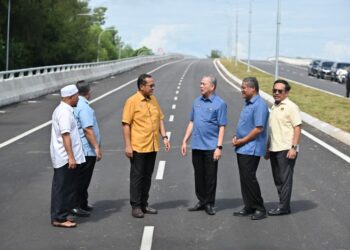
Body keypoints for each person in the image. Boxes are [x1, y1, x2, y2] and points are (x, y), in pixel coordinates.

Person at [122, 73, 170, 218]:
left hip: (152, 145)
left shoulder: (153, 100)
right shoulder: (132, 101)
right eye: (151, 85)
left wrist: (165, 137)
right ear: (142, 86)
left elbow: (160, 119)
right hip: (138, 146)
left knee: (148, 176)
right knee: (137, 176)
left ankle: (144, 203)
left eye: (153, 85)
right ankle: (136, 206)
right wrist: (128, 146)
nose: (153, 88)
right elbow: (126, 124)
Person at [181, 75, 227, 216]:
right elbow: (192, 122)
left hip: (211, 147)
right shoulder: (196, 102)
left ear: (212, 87)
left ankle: (209, 203)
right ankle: (201, 200)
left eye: (203, 84)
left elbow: (221, 127)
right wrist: (184, 140)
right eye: (200, 83)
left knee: (210, 176)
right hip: (197, 146)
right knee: (198, 175)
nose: (200, 86)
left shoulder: (220, 104)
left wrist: (218, 147)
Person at [232, 77, 269, 220]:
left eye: (244, 88)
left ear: (252, 88)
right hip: (242, 147)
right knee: (244, 179)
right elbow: (245, 124)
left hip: (250, 148)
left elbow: (258, 128)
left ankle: (259, 208)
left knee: (249, 178)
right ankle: (249, 206)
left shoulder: (259, 105)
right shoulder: (248, 103)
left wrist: (242, 140)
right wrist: (237, 137)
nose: (242, 90)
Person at [50, 84, 85, 228]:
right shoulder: (64, 113)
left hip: (66, 157)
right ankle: (59, 218)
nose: (78, 98)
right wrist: (71, 157)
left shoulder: (65, 110)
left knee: (67, 187)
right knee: (62, 188)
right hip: (65, 157)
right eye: (77, 96)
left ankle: (63, 214)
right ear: (71, 97)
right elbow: (65, 135)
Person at [265, 79, 302, 216]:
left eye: (280, 91)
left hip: (286, 148)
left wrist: (294, 147)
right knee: (278, 179)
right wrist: (268, 147)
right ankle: (283, 204)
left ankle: (284, 207)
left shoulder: (291, 107)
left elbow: (297, 127)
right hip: (274, 148)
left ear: (286, 92)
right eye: (274, 90)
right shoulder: (274, 107)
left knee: (285, 179)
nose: (276, 93)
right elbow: (273, 130)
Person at [72, 80, 102, 217]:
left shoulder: (77, 105)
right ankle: (76, 205)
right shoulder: (84, 107)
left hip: (82, 149)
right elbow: (87, 129)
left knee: (83, 179)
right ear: (88, 92)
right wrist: (96, 147)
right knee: (82, 180)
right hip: (86, 150)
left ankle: (82, 203)